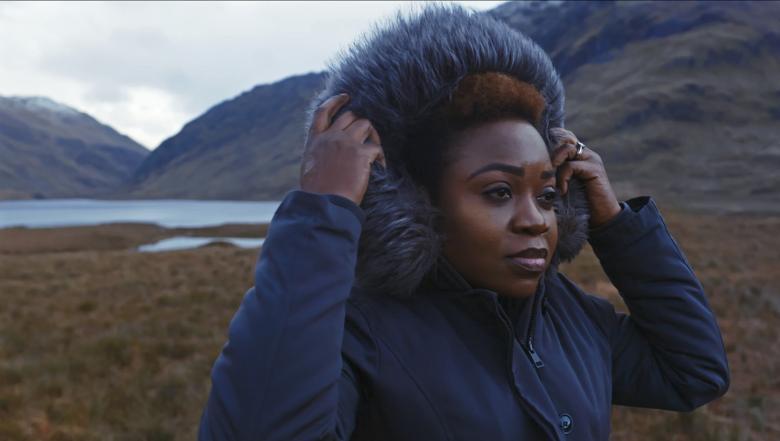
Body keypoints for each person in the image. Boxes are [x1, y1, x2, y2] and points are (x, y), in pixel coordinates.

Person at [198, 4, 729, 440]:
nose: (534, 222)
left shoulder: (567, 315)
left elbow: (693, 372)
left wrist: (614, 222)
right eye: (498, 192)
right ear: (416, 202)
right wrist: (322, 212)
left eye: (547, 195)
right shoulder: (360, 333)